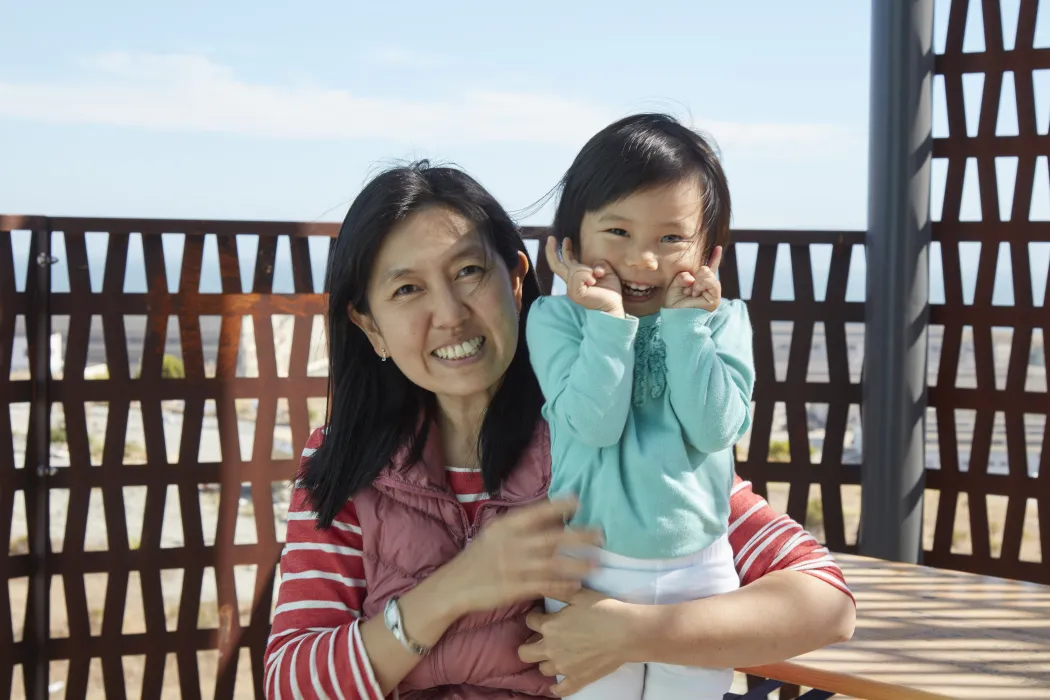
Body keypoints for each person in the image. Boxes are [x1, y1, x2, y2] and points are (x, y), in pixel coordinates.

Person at [264, 161, 855, 700]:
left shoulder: (608, 428)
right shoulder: (345, 463)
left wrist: (633, 634)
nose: (448, 314)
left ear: (517, 279)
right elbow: (291, 680)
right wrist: (454, 589)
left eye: (469, 271)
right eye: (407, 289)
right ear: (369, 325)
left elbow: (822, 603)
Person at [526, 113, 750, 699]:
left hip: (699, 575)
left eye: (671, 238)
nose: (644, 260)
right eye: (618, 233)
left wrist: (687, 329)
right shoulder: (556, 321)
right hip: (589, 573)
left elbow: (715, 427)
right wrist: (606, 322)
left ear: (709, 253)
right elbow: (592, 426)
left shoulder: (723, 322)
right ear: (570, 245)